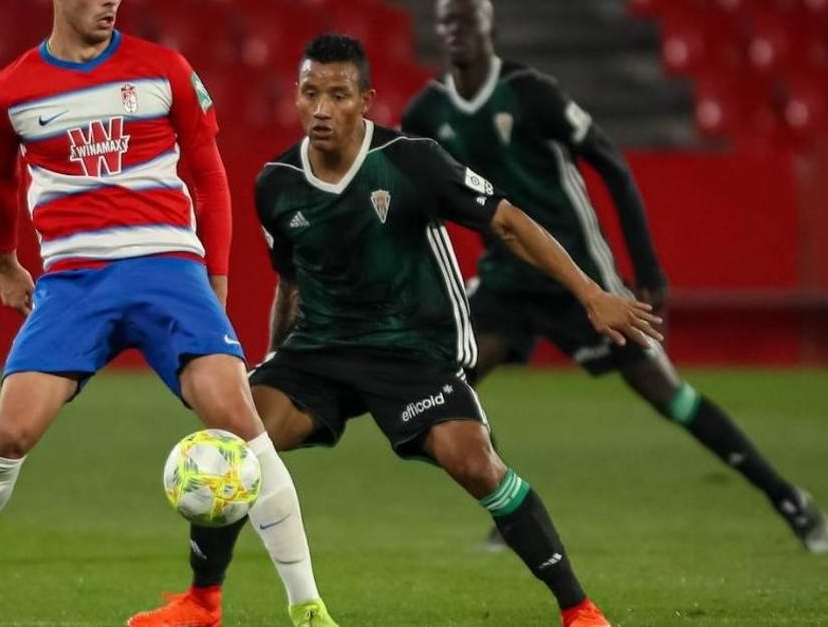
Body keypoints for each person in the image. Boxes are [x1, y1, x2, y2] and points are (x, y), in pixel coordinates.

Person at [131, 33, 665, 627]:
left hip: (412, 347)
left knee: (474, 462)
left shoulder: (413, 161)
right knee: (234, 442)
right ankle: (202, 603)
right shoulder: (275, 183)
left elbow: (509, 224)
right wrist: (273, 360)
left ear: (366, 100)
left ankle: (579, 608)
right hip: (321, 350)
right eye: (311, 94)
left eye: (338, 95)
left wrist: (592, 294)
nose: (322, 108)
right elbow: (292, 282)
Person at [0, 0, 336, 625]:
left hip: (168, 268)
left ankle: (308, 607)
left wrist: (214, 279)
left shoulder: (164, 70)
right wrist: (4, 262)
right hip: (74, 281)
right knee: (10, 432)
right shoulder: (6, 94)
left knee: (240, 424)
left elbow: (210, 177)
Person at [399, 0, 828, 554]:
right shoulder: (427, 114)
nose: (458, 31)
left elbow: (611, 163)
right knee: (448, 378)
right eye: (448, 21)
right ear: (438, 29)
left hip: (583, 277)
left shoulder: (532, 93)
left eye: (470, 20)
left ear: (491, 26)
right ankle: (511, 508)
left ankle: (788, 498)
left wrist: (647, 268)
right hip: (507, 279)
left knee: (667, 393)